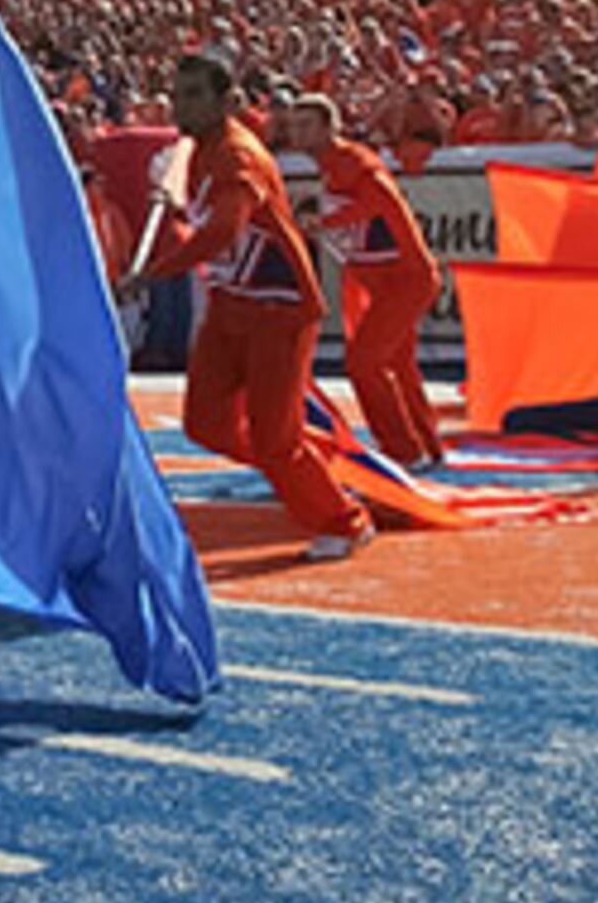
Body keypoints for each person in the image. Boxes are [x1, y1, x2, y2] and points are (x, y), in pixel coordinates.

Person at [126, 53, 373, 557]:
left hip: (278, 309)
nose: (181, 106)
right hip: (231, 305)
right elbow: (200, 225)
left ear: (227, 102)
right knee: (206, 424)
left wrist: (153, 273)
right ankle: (307, 462)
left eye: (194, 95)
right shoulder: (193, 153)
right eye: (177, 95)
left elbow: (224, 229)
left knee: (274, 438)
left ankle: (344, 521)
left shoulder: (239, 157)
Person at [278, 93, 445, 469]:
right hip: (387, 280)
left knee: (364, 362)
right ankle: (426, 446)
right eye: (294, 125)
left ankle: (403, 450)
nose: (297, 133)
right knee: (398, 365)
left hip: (404, 278)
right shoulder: (334, 166)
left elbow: (384, 201)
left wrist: (324, 222)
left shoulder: (353, 161)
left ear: (328, 127)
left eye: (306, 125)